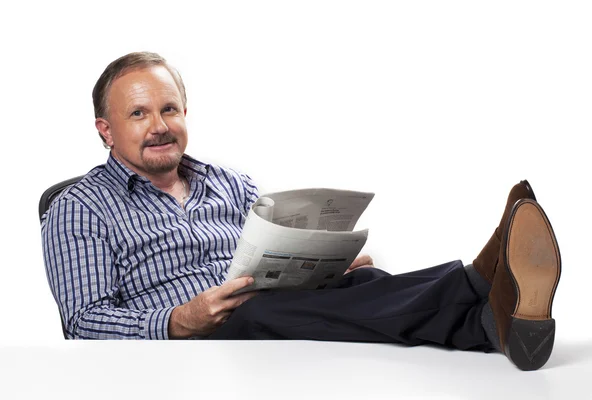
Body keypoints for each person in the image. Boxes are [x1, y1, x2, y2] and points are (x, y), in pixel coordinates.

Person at [41, 52, 561, 371]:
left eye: (169, 108)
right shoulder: (78, 209)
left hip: (278, 304)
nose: (159, 125)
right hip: (206, 338)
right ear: (104, 130)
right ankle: (476, 284)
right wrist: (181, 320)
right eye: (138, 113)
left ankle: (491, 327)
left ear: (184, 113)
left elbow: (268, 253)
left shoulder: (229, 182)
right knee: (261, 311)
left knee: (363, 283)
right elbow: (83, 322)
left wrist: (324, 263)